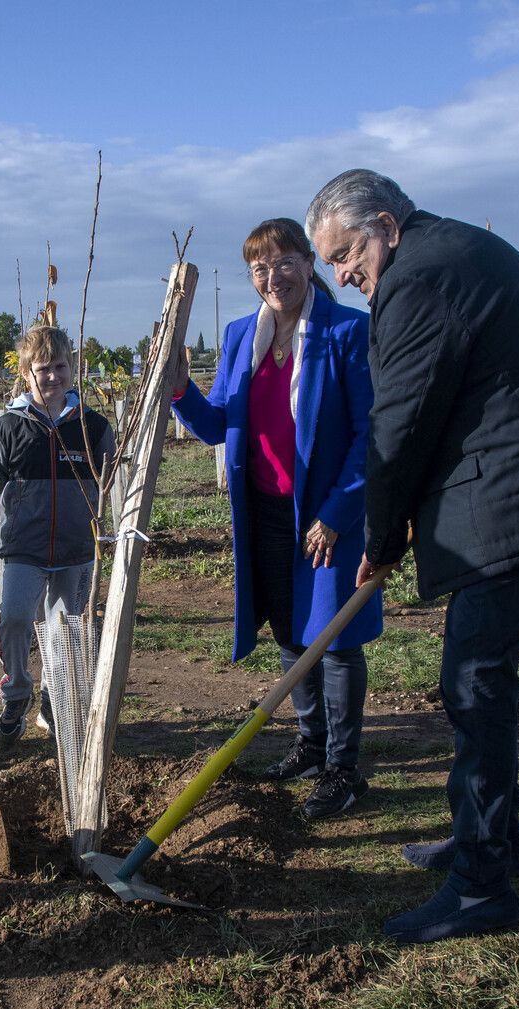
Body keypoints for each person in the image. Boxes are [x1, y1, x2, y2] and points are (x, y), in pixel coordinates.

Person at [306, 169, 519, 943]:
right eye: (330, 261)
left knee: (473, 679)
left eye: (347, 253)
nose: (342, 275)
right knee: (479, 675)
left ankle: (481, 885)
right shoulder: (454, 248)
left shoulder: (418, 280)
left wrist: (381, 542)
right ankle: (494, 841)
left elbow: (400, 428)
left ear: (386, 224)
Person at [168, 218, 379, 819]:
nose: (272, 276)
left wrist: (339, 512)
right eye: (259, 268)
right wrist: (182, 389)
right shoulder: (240, 336)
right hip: (264, 511)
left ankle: (344, 768)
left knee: (333, 640)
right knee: (289, 630)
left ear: (310, 263)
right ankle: (312, 744)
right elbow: (218, 424)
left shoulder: (346, 332)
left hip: (326, 516)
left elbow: (372, 434)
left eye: (284, 262)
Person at [0, 326, 113, 743]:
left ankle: (53, 698)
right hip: (25, 547)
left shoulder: (93, 426)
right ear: (26, 373)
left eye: (61, 367)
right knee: (16, 618)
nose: (53, 376)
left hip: (77, 548)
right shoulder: (7, 427)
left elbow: (106, 479)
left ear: (72, 369)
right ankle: (16, 693)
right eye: (43, 369)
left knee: (65, 631)